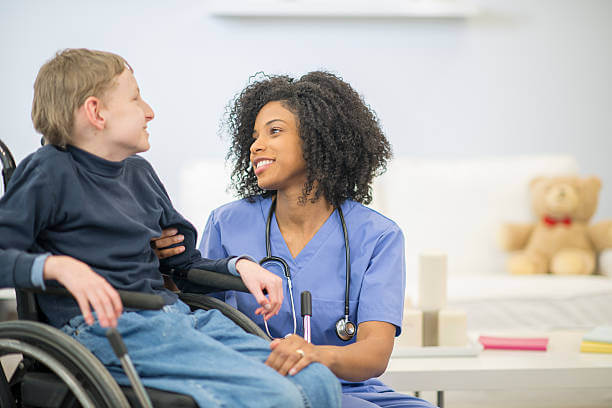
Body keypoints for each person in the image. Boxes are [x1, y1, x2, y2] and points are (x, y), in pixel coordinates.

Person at [0, 49, 341, 408]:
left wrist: (239, 266)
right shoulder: (49, 172)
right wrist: (54, 266)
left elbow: (183, 266)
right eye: (135, 98)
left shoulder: (140, 174)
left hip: (174, 318)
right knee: (274, 395)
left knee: (316, 378)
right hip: (111, 330)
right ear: (96, 112)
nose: (149, 111)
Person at [155, 72, 436, 407]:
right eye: (254, 136)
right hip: (265, 388)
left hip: (349, 387)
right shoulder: (228, 223)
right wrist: (163, 267)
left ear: (318, 138)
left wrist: (315, 355)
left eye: (274, 131)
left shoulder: (378, 236)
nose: (255, 146)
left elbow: (374, 354)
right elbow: (199, 314)